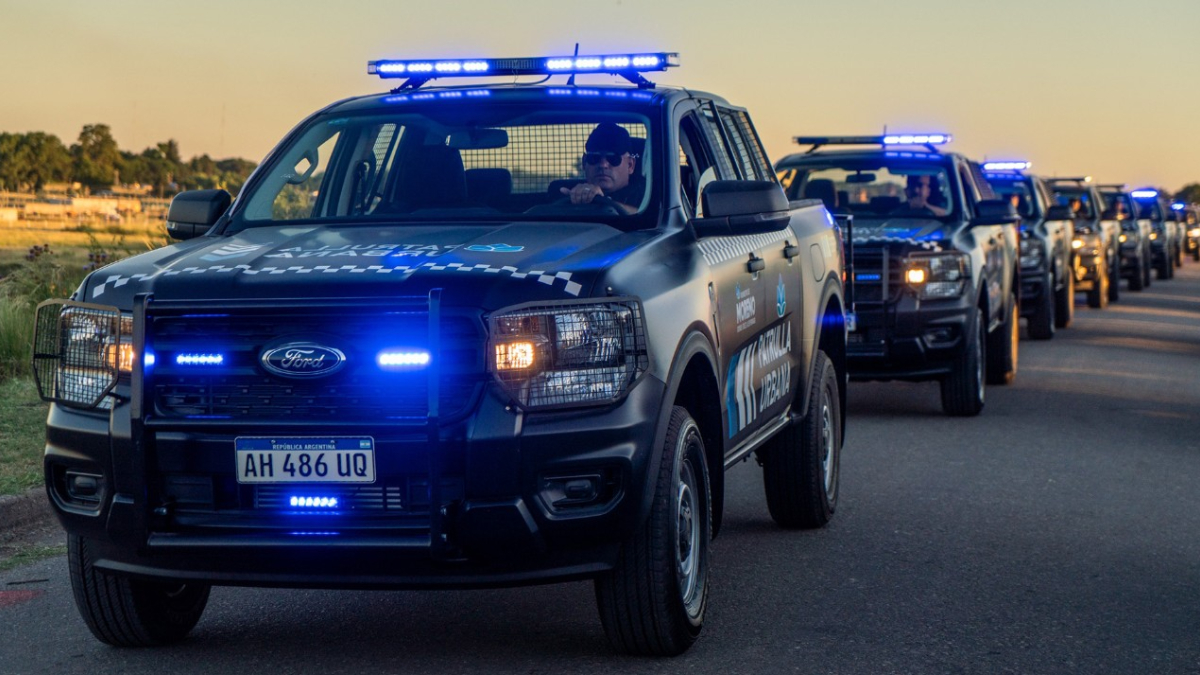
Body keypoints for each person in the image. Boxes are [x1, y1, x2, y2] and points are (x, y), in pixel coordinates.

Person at [560, 122, 644, 214]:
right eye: (594, 157)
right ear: (584, 162)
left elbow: (648, 218)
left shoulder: (648, 196)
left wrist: (603, 201)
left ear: (630, 165)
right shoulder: (565, 194)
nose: (603, 165)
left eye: (613, 158)